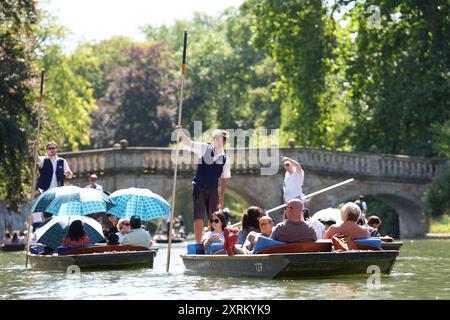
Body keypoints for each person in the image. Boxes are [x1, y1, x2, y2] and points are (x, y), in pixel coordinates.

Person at [175, 125, 231, 244]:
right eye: (216, 139)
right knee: (198, 215)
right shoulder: (204, 148)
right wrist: (180, 133)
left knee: (214, 216)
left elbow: (224, 179)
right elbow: (188, 143)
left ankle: (213, 240)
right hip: (199, 186)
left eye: (220, 139)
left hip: (213, 188)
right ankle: (199, 242)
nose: (217, 141)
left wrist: (222, 196)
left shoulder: (225, 158)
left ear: (224, 142)